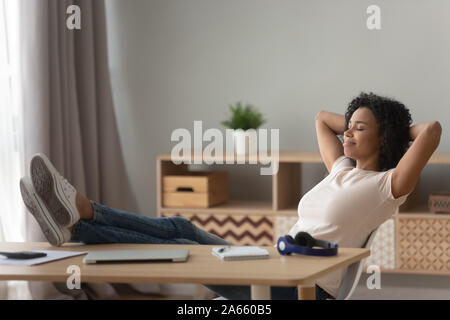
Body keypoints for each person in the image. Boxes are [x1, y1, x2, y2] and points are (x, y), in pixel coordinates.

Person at [20, 92, 442, 300]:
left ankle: (78, 227)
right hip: (272, 265)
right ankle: (82, 213)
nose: (346, 131)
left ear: (384, 139)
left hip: (297, 290)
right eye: (348, 126)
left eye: (359, 128)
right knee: (182, 227)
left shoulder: (388, 187)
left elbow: (433, 130)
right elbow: (321, 120)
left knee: (184, 247)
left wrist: (391, 129)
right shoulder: (342, 170)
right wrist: (363, 121)